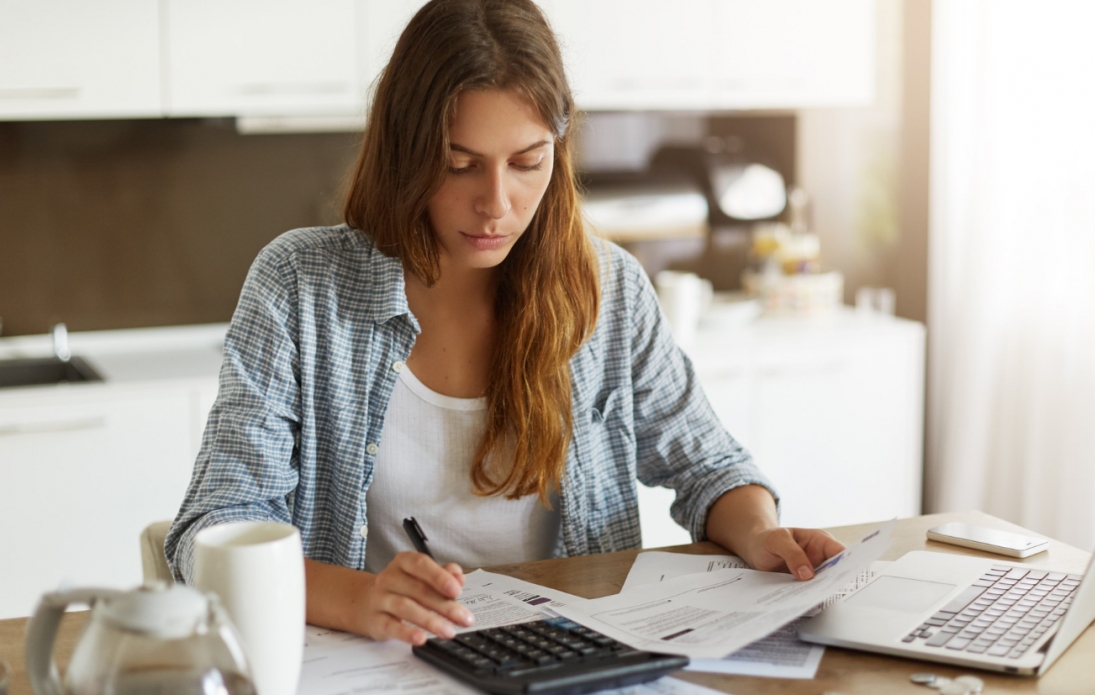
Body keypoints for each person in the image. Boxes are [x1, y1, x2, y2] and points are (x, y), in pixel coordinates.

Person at [165, 0, 844, 648]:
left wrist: (758, 531)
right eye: (460, 164)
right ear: (407, 151)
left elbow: (711, 466)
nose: (496, 204)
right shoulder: (298, 286)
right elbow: (211, 531)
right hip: (381, 661)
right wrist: (359, 598)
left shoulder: (606, 290)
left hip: (571, 658)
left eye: (526, 163)